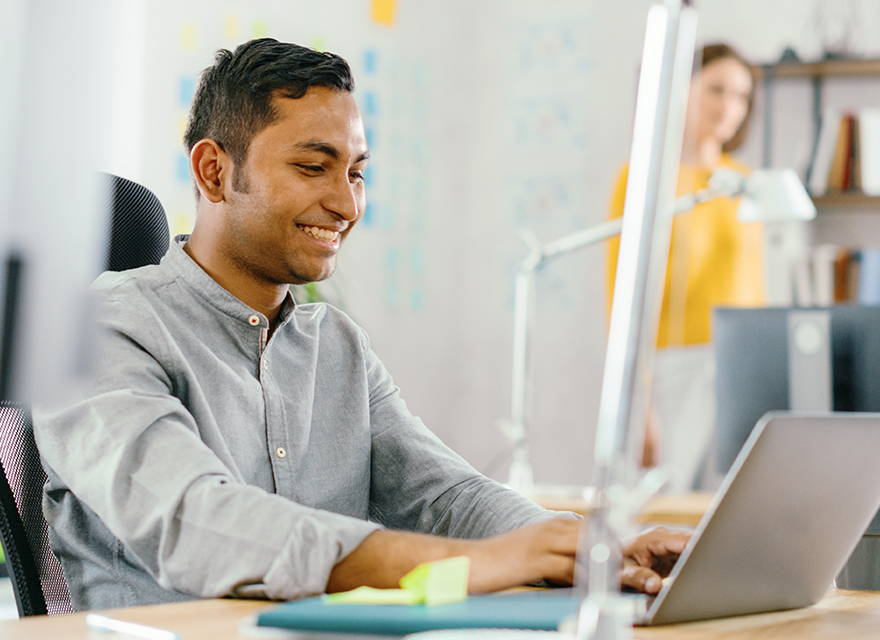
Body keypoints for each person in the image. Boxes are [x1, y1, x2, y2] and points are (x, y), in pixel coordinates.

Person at [34, 39, 688, 611]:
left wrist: (593, 548)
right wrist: (461, 567)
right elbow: (195, 519)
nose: (346, 203)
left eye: (356, 173)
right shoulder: (97, 328)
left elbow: (447, 497)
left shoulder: (335, 345)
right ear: (214, 170)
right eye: (312, 167)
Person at [606, 43, 764, 491]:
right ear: (682, 89)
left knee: (736, 501)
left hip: (742, 367)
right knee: (666, 503)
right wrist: (641, 403)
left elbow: (756, 287)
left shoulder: (746, 183)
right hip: (674, 369)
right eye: (717, 89)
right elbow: (622, 298)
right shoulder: (643, 178)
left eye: (741, 96)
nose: (729, 106)